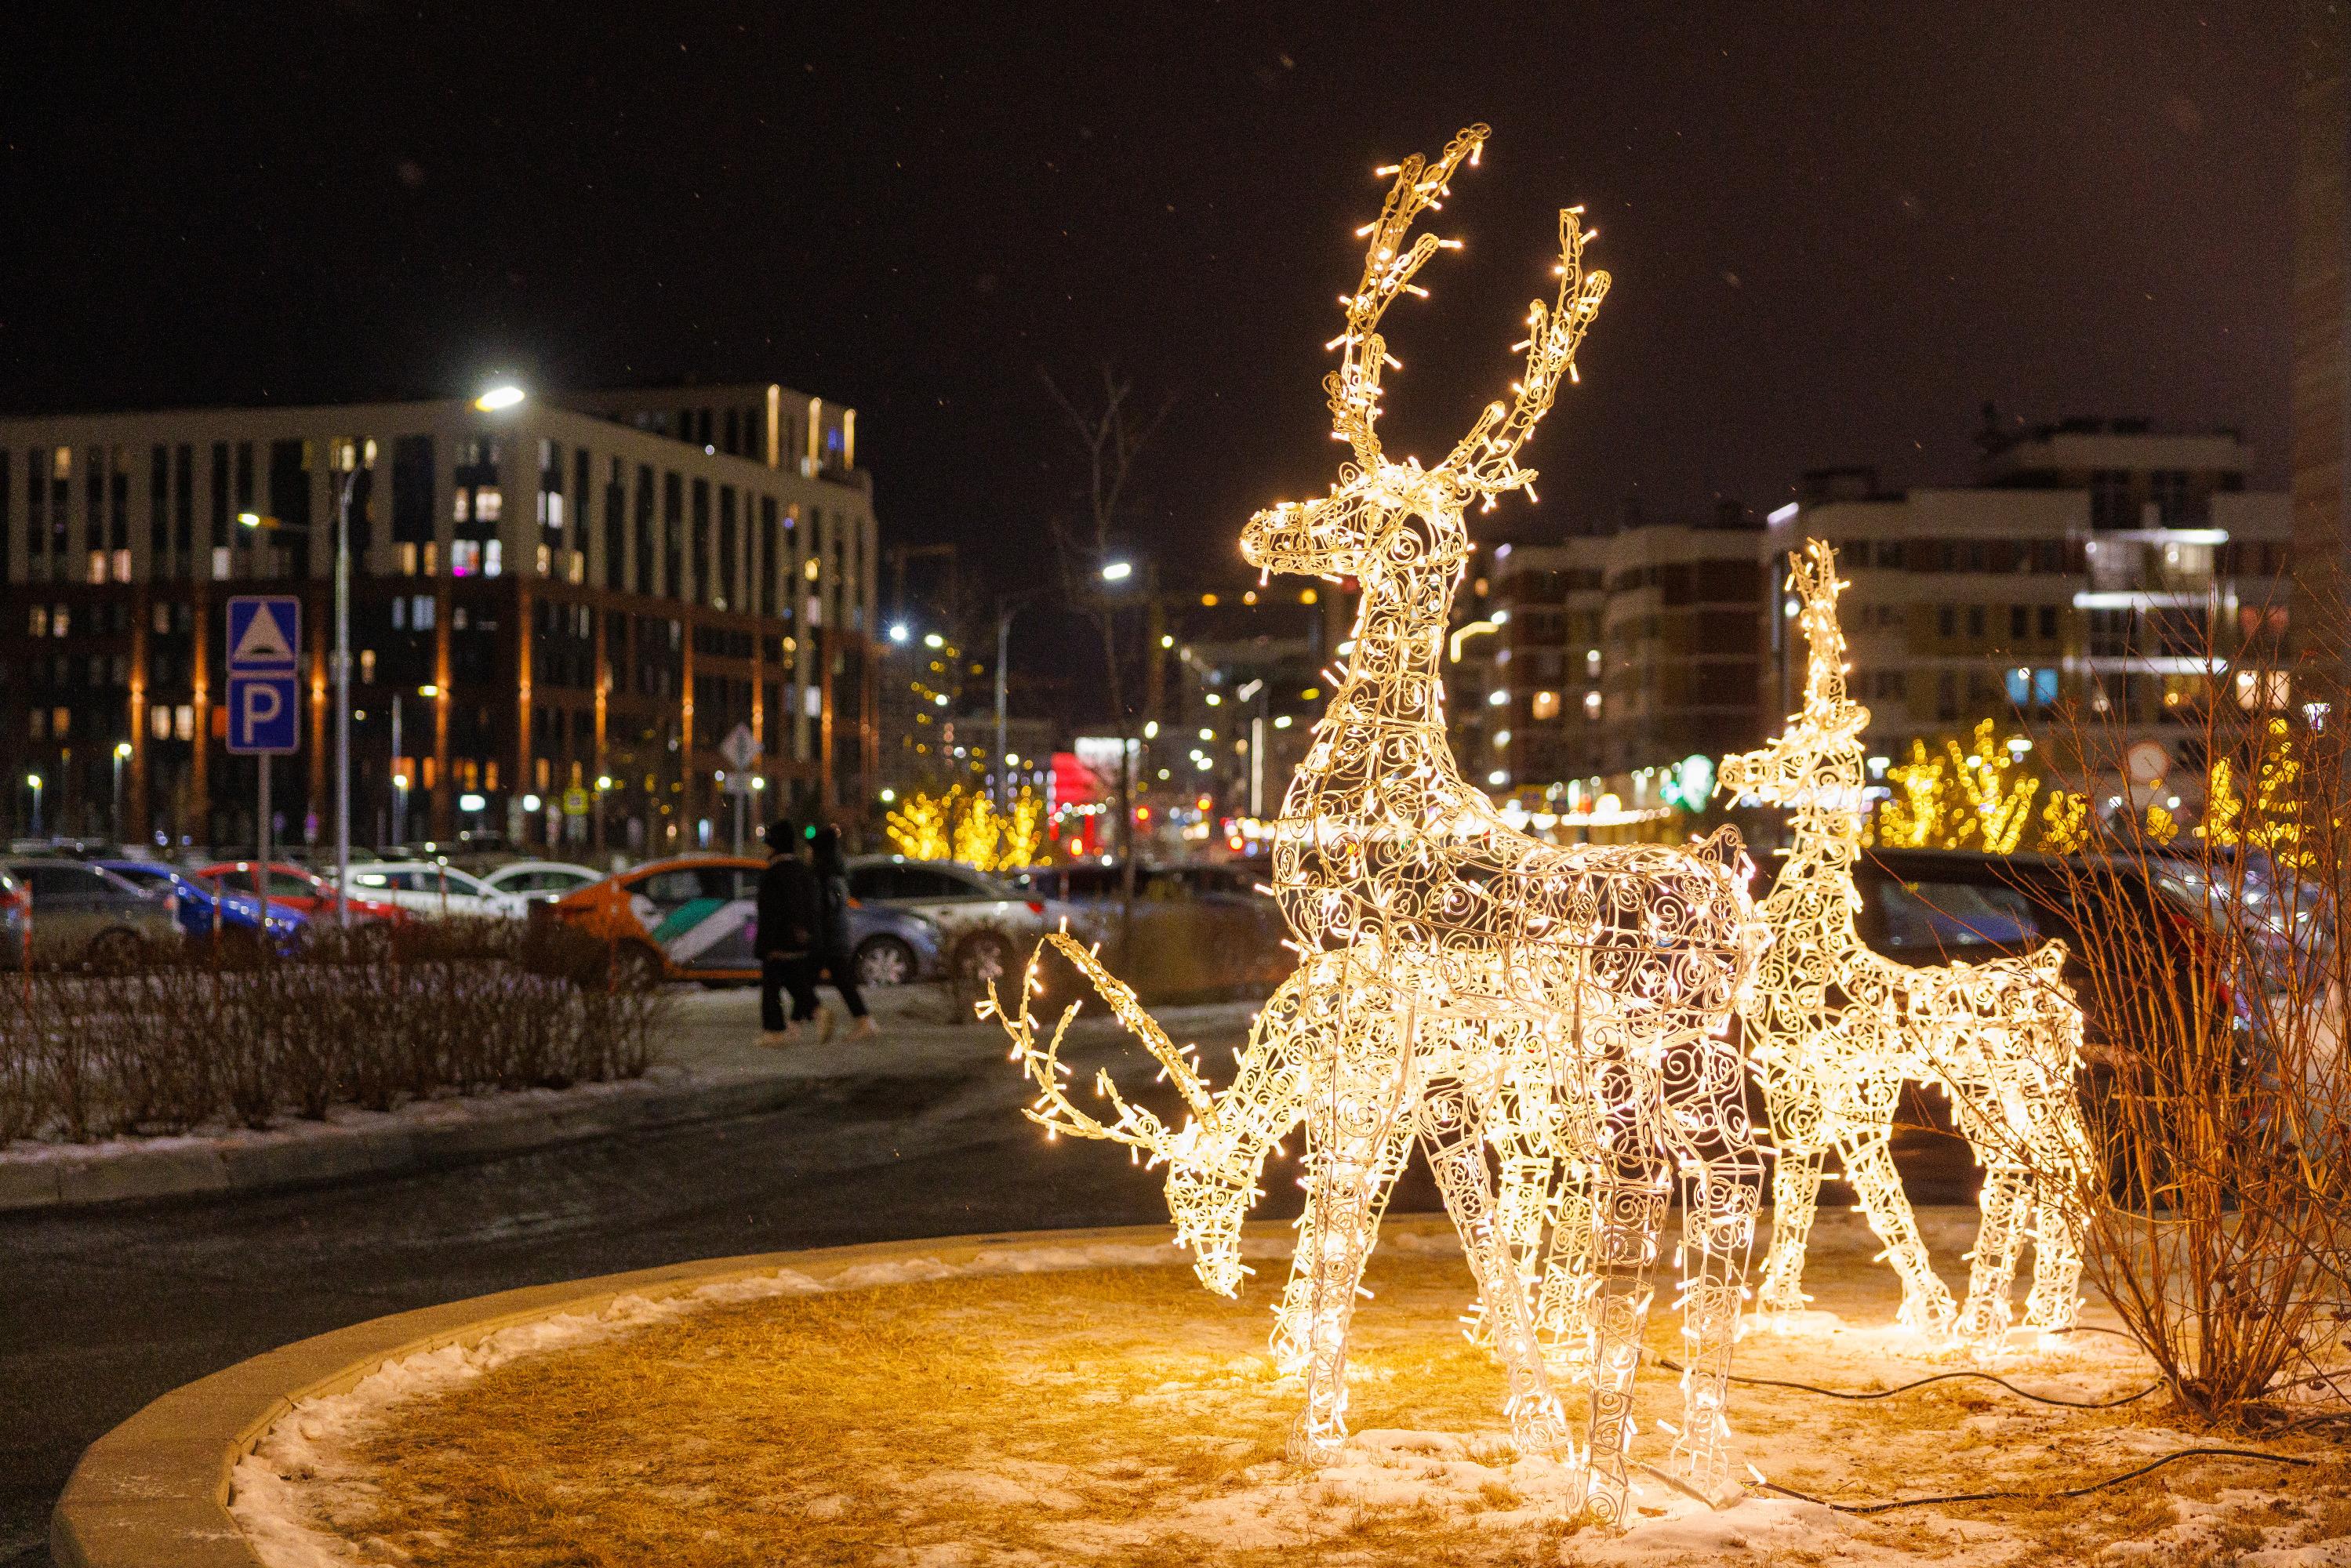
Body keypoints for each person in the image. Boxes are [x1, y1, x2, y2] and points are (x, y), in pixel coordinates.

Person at [754, 819, 820, 1046]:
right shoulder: (802, 870)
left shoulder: (776, 872)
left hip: (778, 940)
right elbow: (808, 906)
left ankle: (775, 1032)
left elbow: (774, 910)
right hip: (797, 939)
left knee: (772, 986)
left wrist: (769, 943)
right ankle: (816, 1010)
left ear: (775, 846)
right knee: (793, 980)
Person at [810, 826, 877, 1040]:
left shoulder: (825, 878)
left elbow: (825, 910)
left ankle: (862, 1021)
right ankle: (863, 1021)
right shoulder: (836, 875)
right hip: (834, 939)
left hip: (828, 941)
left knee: (804, 981)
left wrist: (816, 933)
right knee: (839, 981)